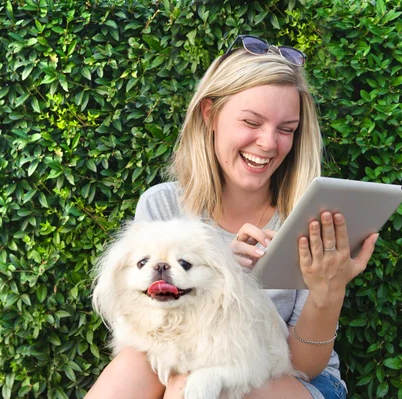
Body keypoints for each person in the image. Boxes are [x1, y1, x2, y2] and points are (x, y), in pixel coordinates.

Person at [85, 35, 378, 399]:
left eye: (286, 129)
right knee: (143, 365)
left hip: (293, 377)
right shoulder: (163, 207)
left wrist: (327, 291)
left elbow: (304, 364)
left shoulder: (308, 219)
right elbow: (141, 326)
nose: (269, 143)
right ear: (210, 114)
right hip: (184, 354)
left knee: (202, 387)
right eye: (251, 122)